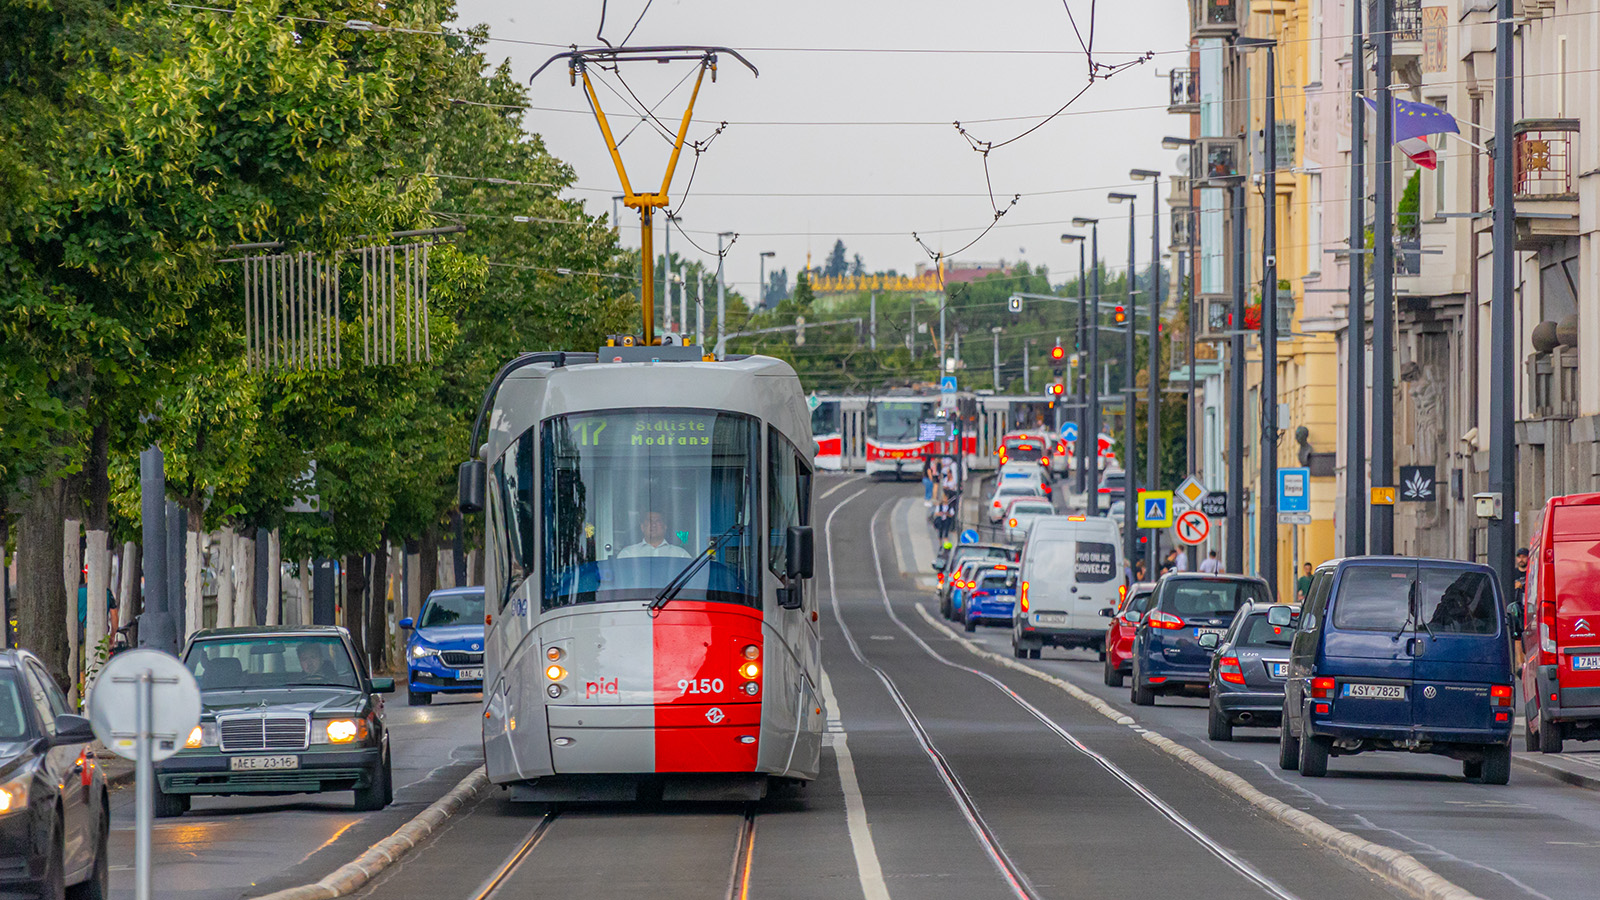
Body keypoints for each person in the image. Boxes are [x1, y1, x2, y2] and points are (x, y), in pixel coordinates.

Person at [618, 510, 692, 559]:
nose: (653, 525)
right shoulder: (628, 554)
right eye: (649, 521)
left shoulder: (680, 554)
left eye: (658, 521)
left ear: (665, 526)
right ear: (642, 527)